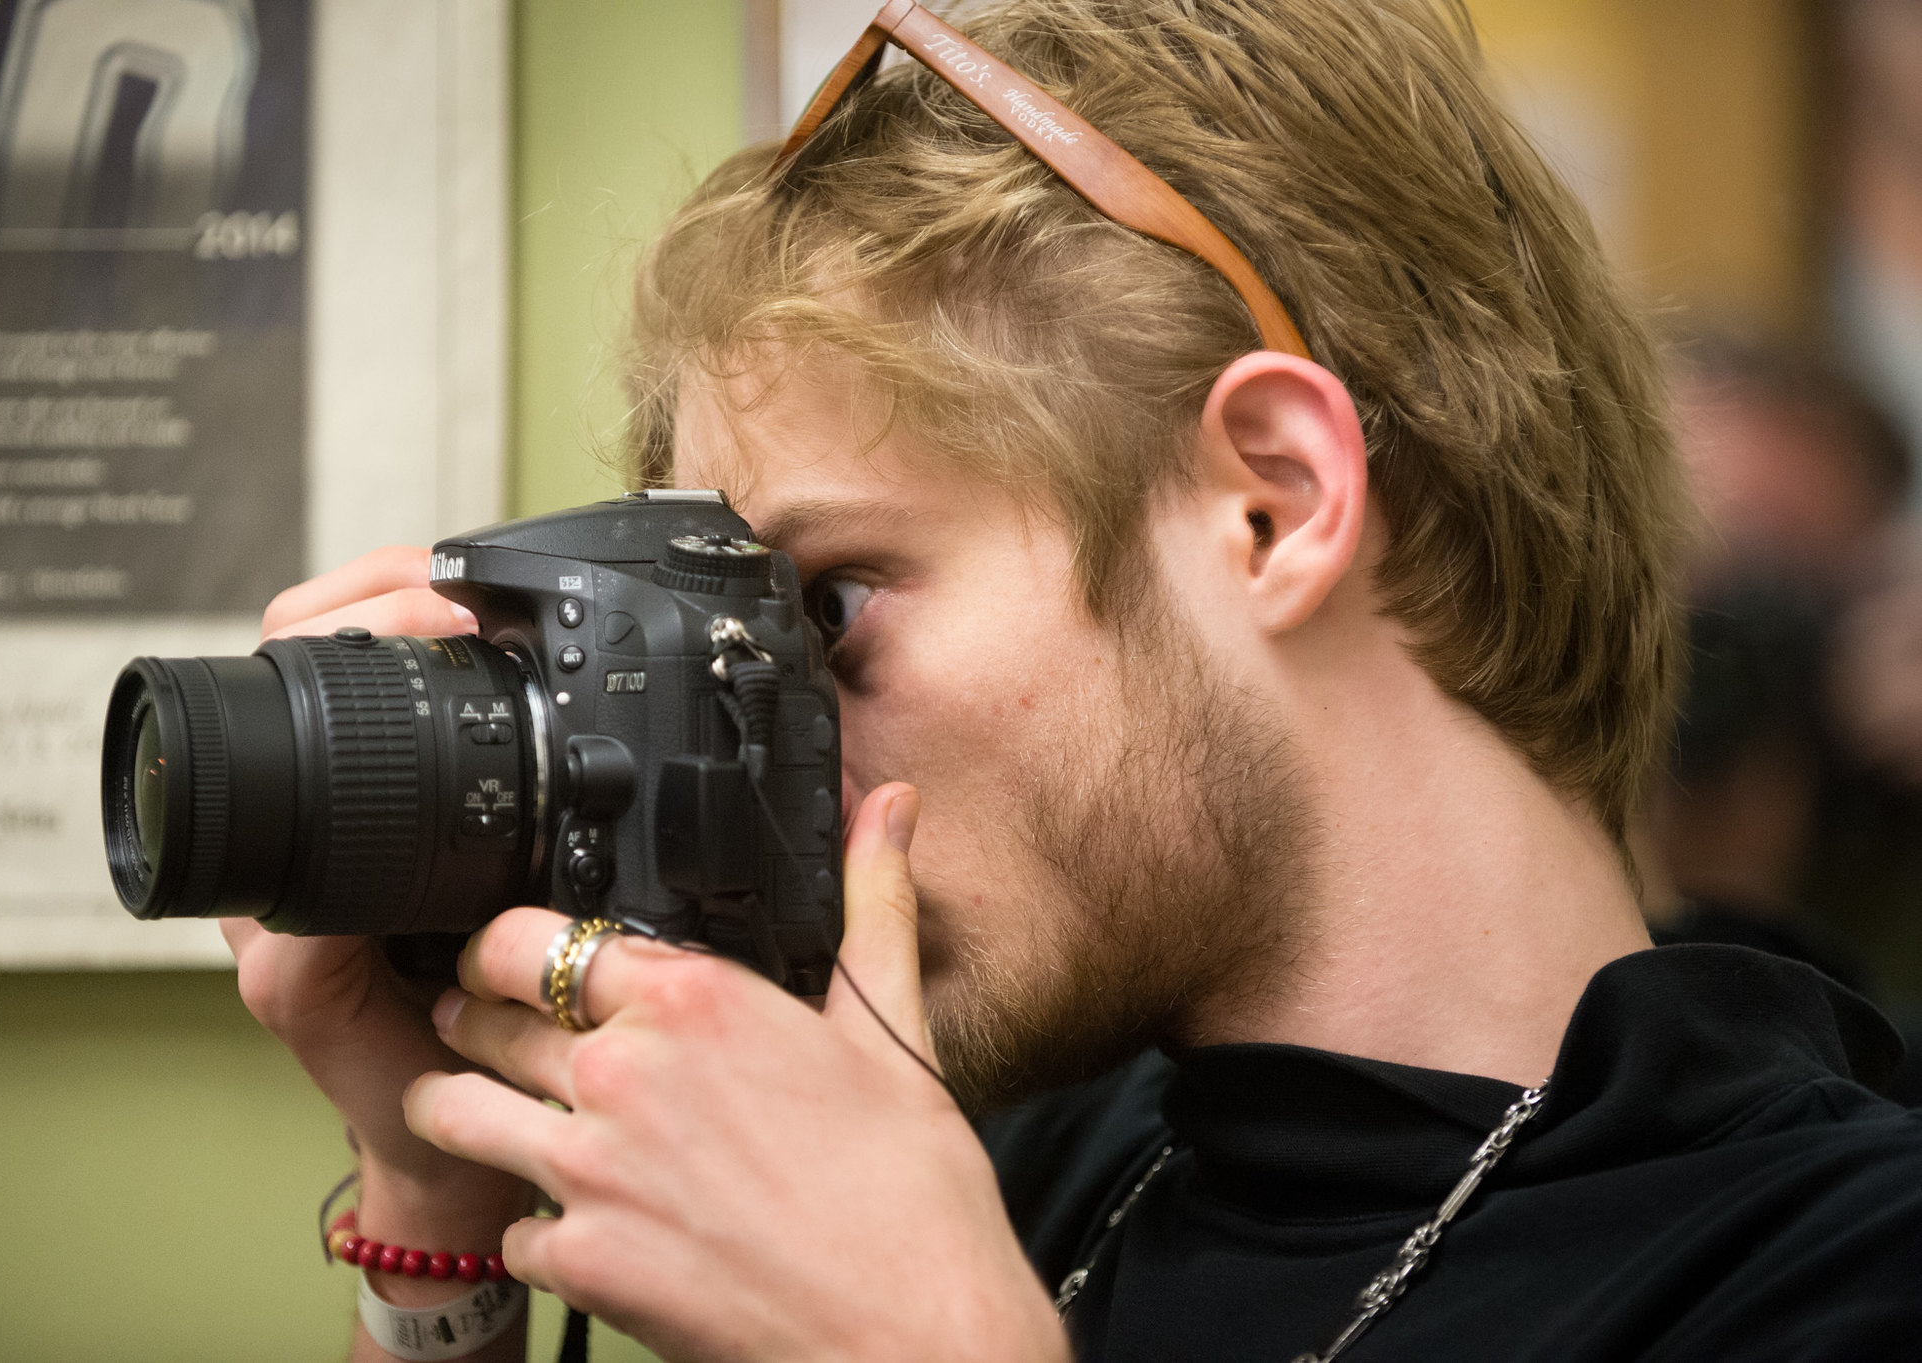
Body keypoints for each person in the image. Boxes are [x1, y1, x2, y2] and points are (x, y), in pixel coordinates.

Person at [228, 1, 1922, 1359]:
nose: (764, 756)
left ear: (1275, 503)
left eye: (822, 608)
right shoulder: (1027, 1153)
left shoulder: (1837, 1267)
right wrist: (433, 1207)